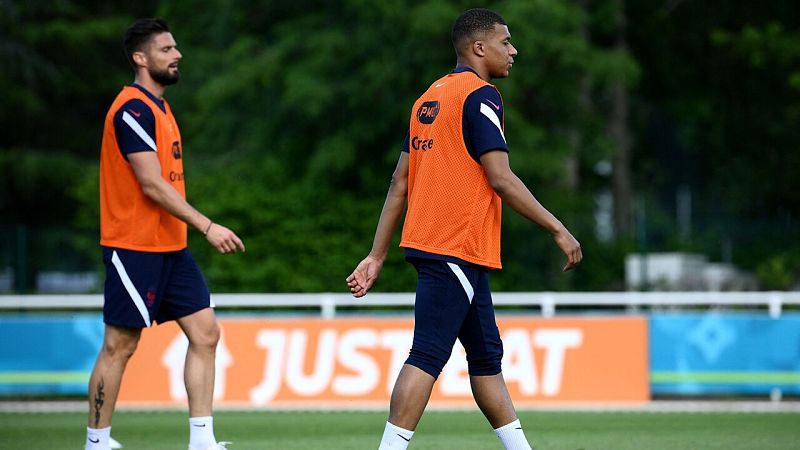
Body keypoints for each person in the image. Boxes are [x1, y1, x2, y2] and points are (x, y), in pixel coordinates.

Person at [346, 8, 582, 450]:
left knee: (486, 358)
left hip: (445, 247)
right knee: (427, 353)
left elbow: (399, 182)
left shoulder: (428, 99)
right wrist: (557, 228)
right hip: (454, 244)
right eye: (505, 42)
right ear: (479, 47)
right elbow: (501, 178)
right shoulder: (482, 96)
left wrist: (377, 255)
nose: (513, 50)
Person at [85, 18, 245, 450]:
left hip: (171, 246)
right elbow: (152, 184)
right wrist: (207, 225)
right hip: (133, 246)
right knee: (120, 345)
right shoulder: (132, 109)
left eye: (175, 48)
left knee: (206, 334)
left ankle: (202, 440)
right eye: (166, 49)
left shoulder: (160, 108)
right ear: (140, 58)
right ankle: (97, 443)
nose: (177, 55)